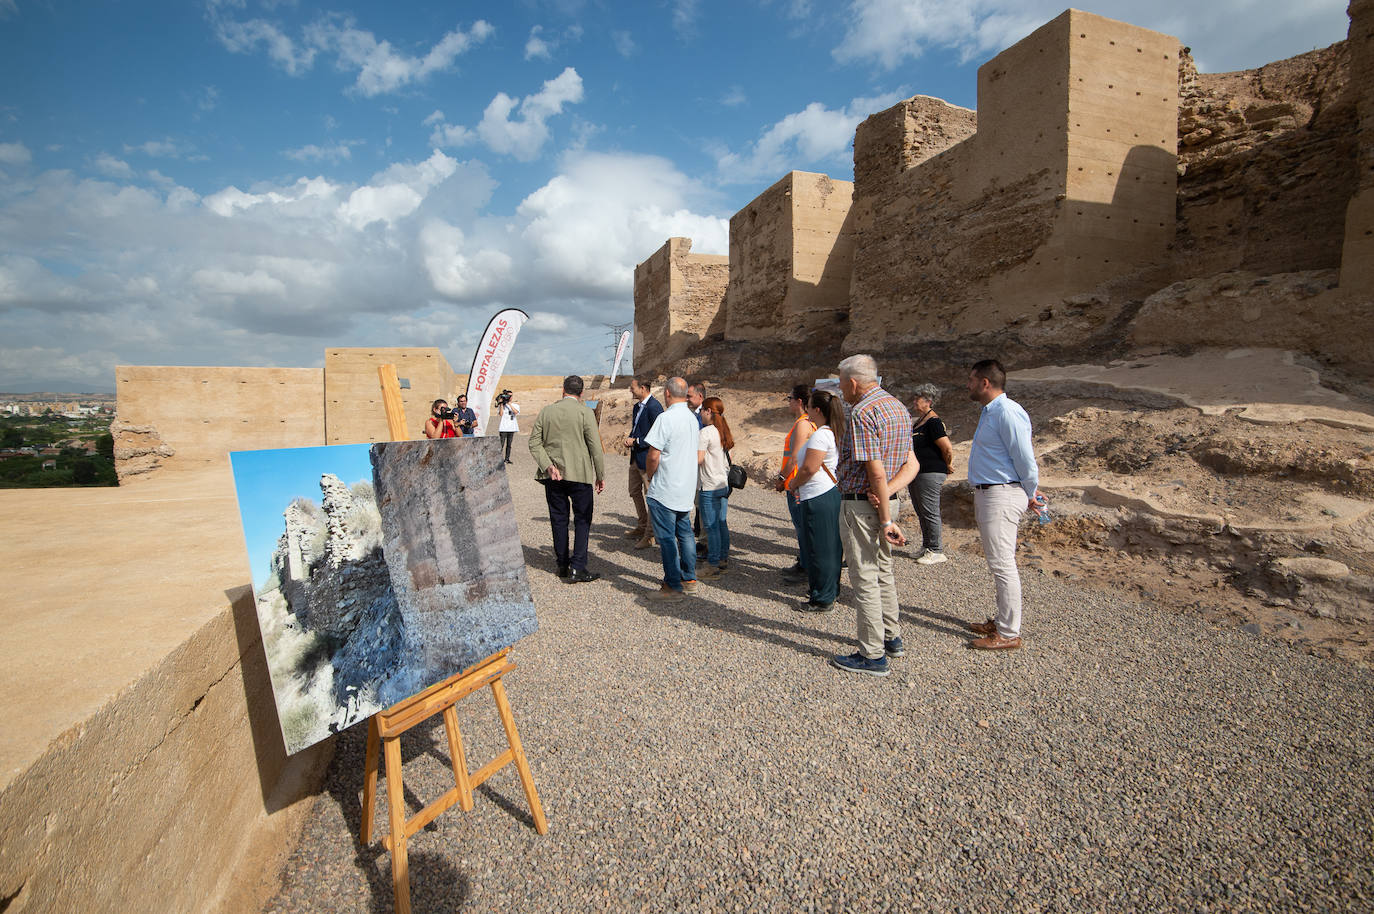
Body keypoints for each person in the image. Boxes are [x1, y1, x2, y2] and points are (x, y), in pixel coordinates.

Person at [829, 354, 913, 678]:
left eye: (840, 382)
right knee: (883, 572)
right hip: (888, 500)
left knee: (864, 576)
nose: (840, 389)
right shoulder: (898, 407)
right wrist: (889, 507)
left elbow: (874, 470)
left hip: (864, 506)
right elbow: (911, 465)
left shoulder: (863, 411)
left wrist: (884, 517)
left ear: (852, 382)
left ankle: (872, 654)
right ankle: (892, 637)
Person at [965, 359, 1042, 650]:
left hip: (1002, 494)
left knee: (1002, 564)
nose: (968, 384)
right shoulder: (991, 412)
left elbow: (1025, 459)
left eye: (972, 379)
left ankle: (1009, 633)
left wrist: (1030, 492)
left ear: (986, 382)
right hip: (992, 493)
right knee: (999, 562)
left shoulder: (1007, 412)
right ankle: (1002, 621)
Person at [528, 375, 606, 584]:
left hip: (553, 475)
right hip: (579, 475)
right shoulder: (584, 412)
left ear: (563, 390)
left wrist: (548, 465)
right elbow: (595, 447)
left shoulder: (547, 411)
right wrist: (600, 475)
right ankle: (577, 567)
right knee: (582, 520)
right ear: (581, 393)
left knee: (559, 519)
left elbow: (534, 443)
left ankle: (562, 564)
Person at [643, 377, 700, 601]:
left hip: (666, 488)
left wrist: (650, 475)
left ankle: (672, 586)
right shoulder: (692, 418)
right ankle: (689, 579)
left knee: (666, 538)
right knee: (685, 534)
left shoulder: (665, 418)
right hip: (684, 487)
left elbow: (653, 455)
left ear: (667, 393)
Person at [787, 389, 843, 610]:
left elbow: (809, 467)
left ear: (817, 409)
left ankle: (822, 597)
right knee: (829, 546)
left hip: (818, 494)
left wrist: (793, 483)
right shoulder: (832, 432)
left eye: (809, 406)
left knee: (820, 547)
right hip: (826, 492)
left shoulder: (821, 434)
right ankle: (828, 589)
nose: (806, 410)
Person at [908, 383, 955, 565]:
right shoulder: (920, 422)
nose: (914, 401)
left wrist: (948, 464)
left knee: (930, 511)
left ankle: (936, 549)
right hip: (917, 472)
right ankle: (927, 546)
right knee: (921, 511)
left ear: (928, 401)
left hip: (930, 471)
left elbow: (947, 447)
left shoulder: (934, 422)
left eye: (917, 398)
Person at [776, 384, 816, 583]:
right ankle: (804, 563)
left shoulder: (802, 423)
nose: (788, 401)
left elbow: (794, 458)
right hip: (798, 482)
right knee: (802, 527)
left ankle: (806, 567)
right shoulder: (808, 422)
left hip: (795, 483)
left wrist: (782, 478)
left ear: (799, 401)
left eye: (790, 398)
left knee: (802, 527)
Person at [622, 377, 663, 549]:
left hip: (647, 459)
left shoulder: (655, 407)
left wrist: (636, 441)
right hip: (635, 459)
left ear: (643, 388)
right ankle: (642, 525)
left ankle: (650, 535)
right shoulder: (637, 407)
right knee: (633, 491)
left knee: (651, 497)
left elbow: (659, 435)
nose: (630, 390)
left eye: (633, 387)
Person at [696, 396, 734, 579]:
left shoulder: (706, 432)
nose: (701, 413)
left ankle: (712, 565)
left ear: (708, 411)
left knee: (711, 527)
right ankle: (722, 558)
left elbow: (699, 459)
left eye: (702, 410)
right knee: (721, 524)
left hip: (709, 485)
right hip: (722, 483)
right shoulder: (722, 431)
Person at [496, 391, 520, 463]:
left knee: (509, 445)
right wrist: (502, 404)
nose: (510, 397)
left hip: (511, 427)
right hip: (503, 427)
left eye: (511, 396)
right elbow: (501, 414)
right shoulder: (502, 405)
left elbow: (516, 412)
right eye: (508, 396)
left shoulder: (515, 405)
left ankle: (507, 459)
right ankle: (498, 459)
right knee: (501, 444)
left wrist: (509, 404)